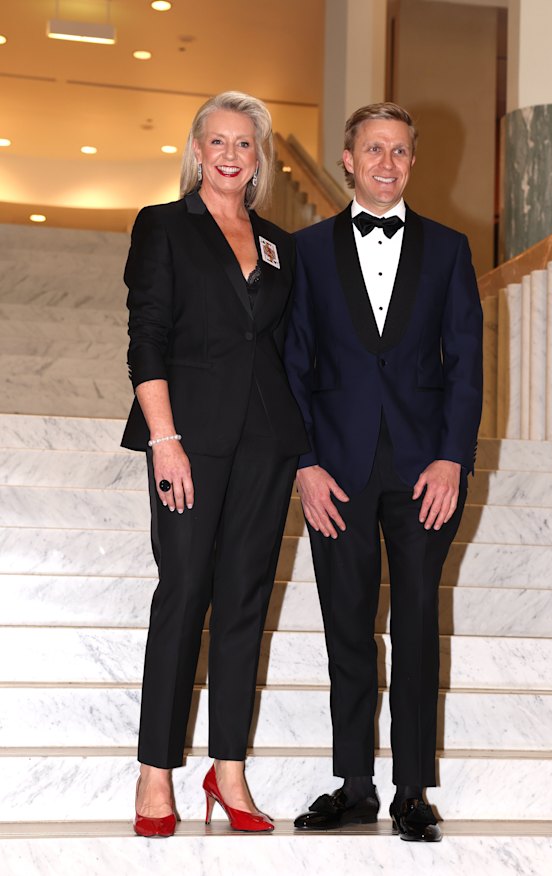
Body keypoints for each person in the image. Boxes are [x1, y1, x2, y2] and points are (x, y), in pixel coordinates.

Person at [284, 102, 483, 841]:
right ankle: (356, 783)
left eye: (400, 151)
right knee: (346, 625)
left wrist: (452, 458)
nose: (387, 163)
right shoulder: (302, 252)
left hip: (424, 468)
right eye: (374, 149)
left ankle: (410, 790)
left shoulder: (450, 248)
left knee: (419, 625)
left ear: (411, 162)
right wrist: (303, 463)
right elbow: (292, 366)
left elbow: (466, 365)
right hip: (335, 470)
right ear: (347, 158)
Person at [121, 91, 307, 837]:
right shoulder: (164, 226)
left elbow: (288, 350)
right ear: (197, 150)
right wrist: (164, 441)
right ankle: (155, 772)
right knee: (185, 592)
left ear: (259, 157)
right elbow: (147, 338)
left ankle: (227, 768)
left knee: (244, 603)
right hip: (189, 438)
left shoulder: (278, 245)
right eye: (218, 141)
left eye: (246, 143)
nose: (232, 154)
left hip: (267, 441)